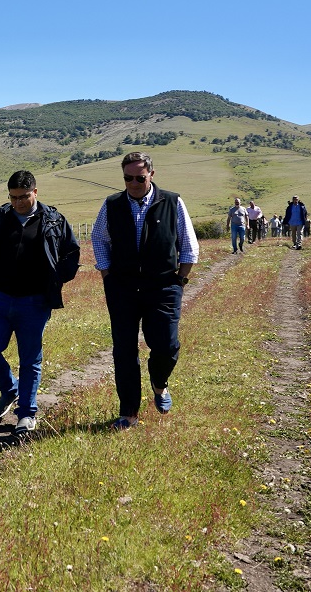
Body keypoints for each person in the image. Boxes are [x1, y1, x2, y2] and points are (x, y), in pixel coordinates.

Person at [0, 170, 80, 435]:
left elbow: (71, 252)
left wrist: (57, 279)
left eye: (24, 197)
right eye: (14, 197)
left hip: (35, 302)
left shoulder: (53, 220)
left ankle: (27, 414)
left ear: (35, 193)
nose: (19, 203)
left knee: (30, 359)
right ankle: (10, 390)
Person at [92, 152, 199, 430]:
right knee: (124, 351)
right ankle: (128, 413)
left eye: (140, 177)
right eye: (128, 178)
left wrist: (181, 279)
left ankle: (159, 382)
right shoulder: (112, 204)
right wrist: (106, 273)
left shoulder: (172, 201)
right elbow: (99, 238)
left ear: (152, 174)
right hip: (122, 287)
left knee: (167, 345)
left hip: (163, 286)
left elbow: (188, 244)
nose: (134, 183)